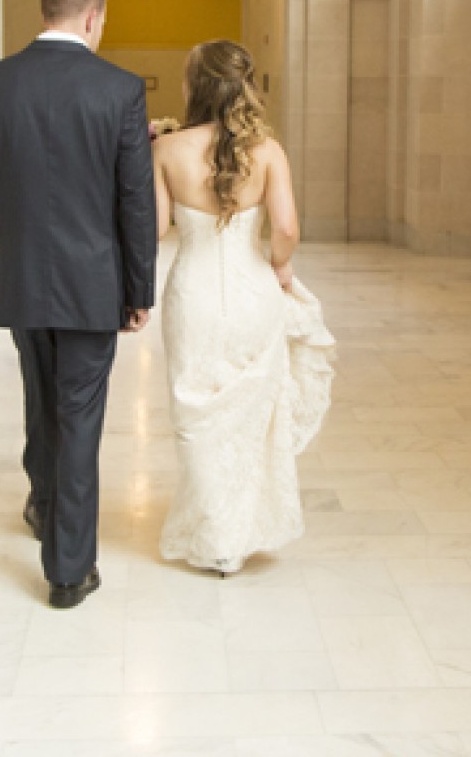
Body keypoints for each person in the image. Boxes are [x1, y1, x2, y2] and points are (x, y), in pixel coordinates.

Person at [0, 0, 157, 608]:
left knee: (41, 398)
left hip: (24, 272)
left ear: (48, 13)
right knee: (80, 415)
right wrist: (139, 289)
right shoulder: (119, 89)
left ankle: (43, 502)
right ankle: (68, 570)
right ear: (92, 17)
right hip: (94, 281)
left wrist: (16, 208)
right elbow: (134, 202)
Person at [153, 39, 334, 575]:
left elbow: (152, 230)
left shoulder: (166, 150)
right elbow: (285, 229)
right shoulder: (269, 152)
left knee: (196, 412)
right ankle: (241, 528)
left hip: (194, 293)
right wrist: (279, 266)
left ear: (194, 87)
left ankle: (217, 536)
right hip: (254, 291)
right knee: (250, 415)